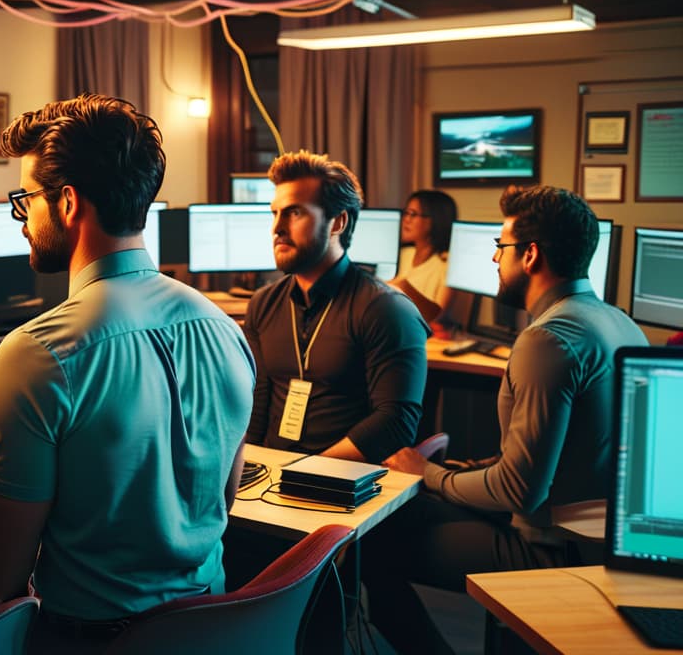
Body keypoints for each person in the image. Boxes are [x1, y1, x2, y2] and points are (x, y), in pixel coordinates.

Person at [0, 94, 255, 650]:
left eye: (25, 201)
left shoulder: (38, 353)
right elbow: (219, 501)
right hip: (214, 630)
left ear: (67, 203)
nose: (21, 220)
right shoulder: (226, 331)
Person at [364, 185, 648, 655]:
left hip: (556, 549)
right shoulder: (616, 321)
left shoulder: (547, 340)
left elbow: (520, 491)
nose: (495, 259)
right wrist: (454, 474)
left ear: (530, 254)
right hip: (600, 537)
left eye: (501, 247)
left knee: (374, 546)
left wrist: (430, 474)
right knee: (415, 511)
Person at [243, 151, 429, 463]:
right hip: (269, 478)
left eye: (295, 213)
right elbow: (257, 406)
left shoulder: (387, 310)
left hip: (343, 486)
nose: (277, 227)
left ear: (337, 222)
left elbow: (395, 424)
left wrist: (305, 473)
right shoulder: (263, 304)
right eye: (274, 213)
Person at [388, 189, 457, 324]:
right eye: (406, 213)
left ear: (435, 219)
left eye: (413, 214)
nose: (406, 219)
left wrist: (402, 286)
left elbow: (437, 318)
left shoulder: (447, 264)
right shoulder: (403, 254)